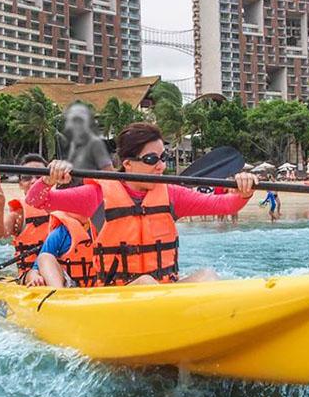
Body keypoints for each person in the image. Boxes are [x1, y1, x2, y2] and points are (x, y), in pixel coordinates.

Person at [26, 122, 258, 286]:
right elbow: (36, 200)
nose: (161, 166)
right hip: (115, 298)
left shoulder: (172, 195)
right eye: (151, 159)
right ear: (127, 163)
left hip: (163, 291)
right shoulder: (97, 195)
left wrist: (243, 191)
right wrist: (48, 179)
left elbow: (226, 205)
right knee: (146, 281)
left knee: (207, 275)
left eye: (163, 158)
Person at [0, 154, 50, 280]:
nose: (33, 181)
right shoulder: (19, 214)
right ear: (20, 184)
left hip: (62, 270)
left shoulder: (66, 207)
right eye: (27, 177)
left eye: (39, 176)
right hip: (31, 276)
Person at [25, 211, 96, 288]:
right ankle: (59, 293)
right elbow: (35, 270)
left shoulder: (104, 228)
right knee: (44, 257)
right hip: (68, 285)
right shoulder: (59, 233)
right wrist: (35, 277)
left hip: (100, 284)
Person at [62, 102, 114, 179]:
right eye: (73, 121)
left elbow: (109, 173)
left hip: (90, 188)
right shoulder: (74, 144)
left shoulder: (95, 143)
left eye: (80, 121)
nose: (76, 125)